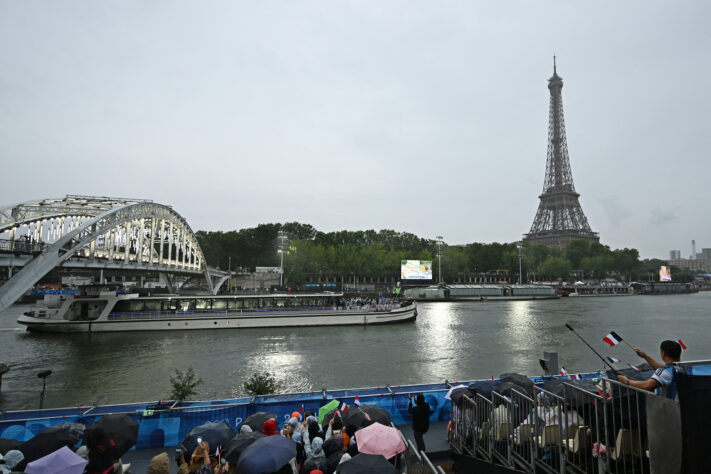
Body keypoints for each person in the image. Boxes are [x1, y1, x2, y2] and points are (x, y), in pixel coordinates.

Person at [617, 340, 682, 400]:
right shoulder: (685, 367)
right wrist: (645, 356)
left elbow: (647, 385)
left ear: (663, 353)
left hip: (670, 407)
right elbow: (663, 368)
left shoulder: (664, 371)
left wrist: (627, 381)